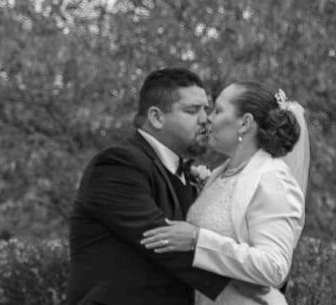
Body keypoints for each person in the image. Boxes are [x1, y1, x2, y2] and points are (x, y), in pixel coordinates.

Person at [68, 67, 232, 305]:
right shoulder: (117, 166)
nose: (206, 118)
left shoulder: (185, 173)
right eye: (192, 110)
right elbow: (164, 242)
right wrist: (246, 280)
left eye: (206, 109)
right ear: (156, 117)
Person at [140, 83, 308, 305]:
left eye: (218, 111)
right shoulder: (220, 175)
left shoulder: (272, 179)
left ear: (245, 123)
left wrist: (196, 240)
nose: (207, 118)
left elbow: (274, 267)